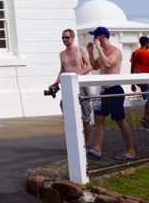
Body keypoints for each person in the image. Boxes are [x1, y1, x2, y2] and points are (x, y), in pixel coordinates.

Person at [86, 26, 135, 161]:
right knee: (99, 120)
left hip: (114, 90)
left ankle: (130, 151)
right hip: (102, 91)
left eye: (95, 36)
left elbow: (108, 64)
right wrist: (90, 52)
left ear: (101, 37)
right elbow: (96, 66)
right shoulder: (101, 51)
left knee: (120, 121)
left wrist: (99, 49)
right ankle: (97, 149)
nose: (93, 39)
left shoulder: (115, 51)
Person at [47, 29, 93, 147]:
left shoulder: (80, 50)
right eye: (63, 37)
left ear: (72, 38)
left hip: (81, 86)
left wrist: (75, 77)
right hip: (68, 88)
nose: (64, 40)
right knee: (68, 114)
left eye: (67, 37)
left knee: (86, 117)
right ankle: (75, 143)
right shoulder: (62, 54)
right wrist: (56, 83)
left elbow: (89, 67)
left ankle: (87, 144)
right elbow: (62, 71)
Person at [130, 35, 149, 130]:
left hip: (138, 79)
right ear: (146, 43)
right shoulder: (146, 53)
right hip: (146, 78)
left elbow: (132, 68)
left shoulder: (134, 53)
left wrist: (132, 83)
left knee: (148, 97)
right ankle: (146, 118)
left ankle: (146, 119)